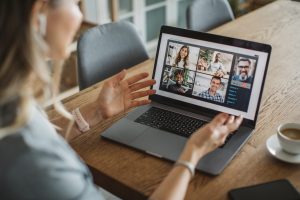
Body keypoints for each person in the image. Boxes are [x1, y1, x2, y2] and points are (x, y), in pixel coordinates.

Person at [0, 1, 243, 200]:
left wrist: (96, 111)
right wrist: (192, 154)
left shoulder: (11, 102)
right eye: (75, 2)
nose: (81, 13)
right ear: (38, 13)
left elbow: (38, 133)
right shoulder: (36, 165)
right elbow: (32, 145)